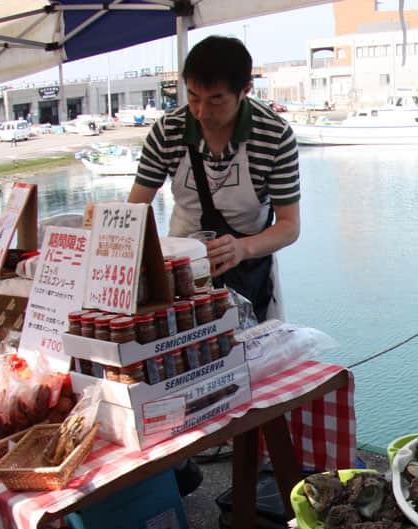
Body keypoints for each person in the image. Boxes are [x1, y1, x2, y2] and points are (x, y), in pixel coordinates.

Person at [128, 35, 300, 322]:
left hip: (249, 268)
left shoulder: (274, 136)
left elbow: (289, 226)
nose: (201, 112)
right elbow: (134, 211)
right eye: (193, 97)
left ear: (245, 90)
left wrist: (242, 248)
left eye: (216, 100)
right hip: (181, 274)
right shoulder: (168, 131)